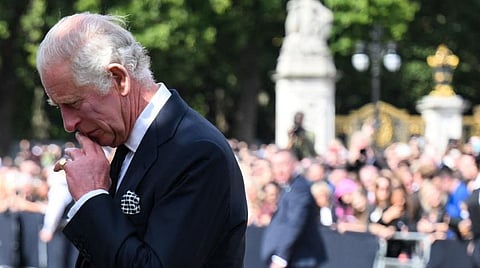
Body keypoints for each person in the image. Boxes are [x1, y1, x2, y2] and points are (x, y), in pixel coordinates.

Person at [36, 12, 247, 267]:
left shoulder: (197, 152)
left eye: (74, 103)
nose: (69, 124)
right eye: (60, 107)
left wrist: (92, 198)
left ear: (119, 79)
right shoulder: (132, 143)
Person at [260, 149, 324, 268]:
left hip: (300, 259)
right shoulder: (289, 187)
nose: (278, 170)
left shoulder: (299, 188)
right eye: (274, 166)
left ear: (294, 164)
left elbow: (294, 223)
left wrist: (280, 258)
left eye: (282, 164)